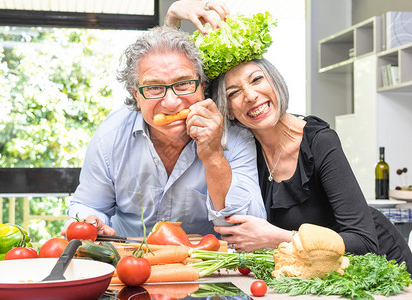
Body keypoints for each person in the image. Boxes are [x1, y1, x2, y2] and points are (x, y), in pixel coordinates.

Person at [166, 0, 412, 274]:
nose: (250, 95)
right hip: (319, 276)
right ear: (229, 111)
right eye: (233, 93)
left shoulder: (319, 141)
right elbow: (176, 87)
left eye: (257, 79)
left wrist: (277, 237)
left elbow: (365, 242)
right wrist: (173, 16)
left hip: (381, 269)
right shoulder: (243, 149)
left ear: (275, 82)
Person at [63, 25, 266, 238]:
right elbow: (89, 205)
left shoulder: (235, 136)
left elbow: (251, 226)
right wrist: (90, 221)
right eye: (154, 88)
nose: (170, 103)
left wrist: (214, 156)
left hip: (205, 265)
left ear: (202, 86)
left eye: (184, 84)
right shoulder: (110, 136)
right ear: (136, 96)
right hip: (129, 261)